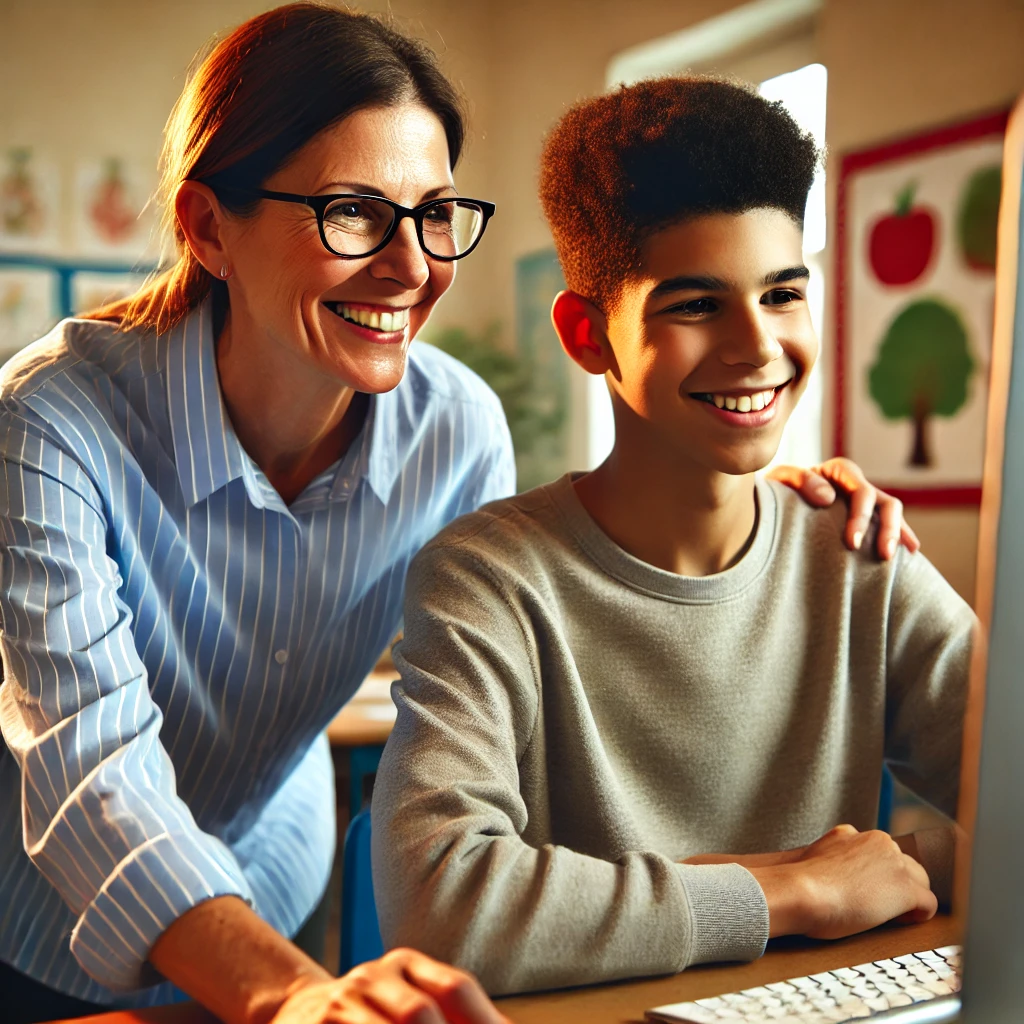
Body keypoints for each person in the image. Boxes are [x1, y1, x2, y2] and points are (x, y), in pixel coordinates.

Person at [0, 5, 910, 1022]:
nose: (411, 266)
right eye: (352, 211)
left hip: (273, 880)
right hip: (49, 914)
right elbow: (93, 768)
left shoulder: (457, 425)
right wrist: (298, 998)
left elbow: (541, 619)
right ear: (210, 226)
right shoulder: (49, 422)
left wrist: (744, 493)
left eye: (433, 214)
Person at [370, 76, 975, 997]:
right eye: (695, 305)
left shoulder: (856, 554)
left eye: (782, 294)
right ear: (587, 335)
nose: (757, 346)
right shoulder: (487, 577)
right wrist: (794, 891)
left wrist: (905, 861)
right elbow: (441, 905)